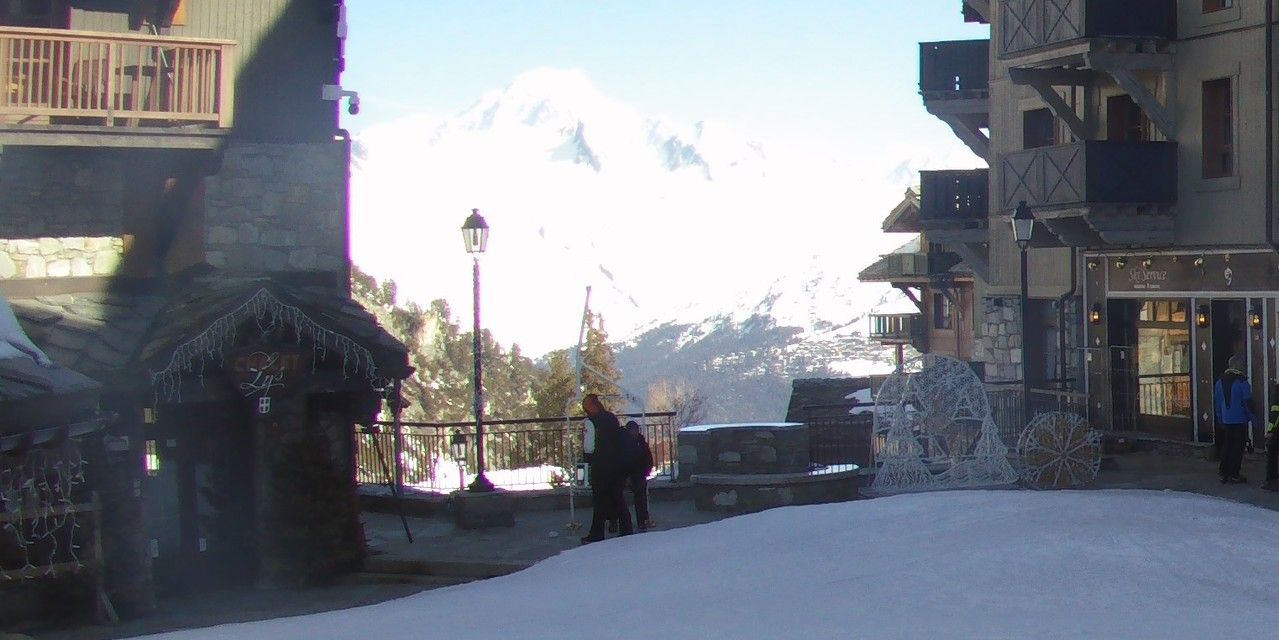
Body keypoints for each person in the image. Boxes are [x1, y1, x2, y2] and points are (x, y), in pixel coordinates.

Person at [580, 393, 632, 544]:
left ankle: (597, 533)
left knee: (600, 501)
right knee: (617, 497)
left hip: (600, 466)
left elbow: (589, 447)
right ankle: (626, 529)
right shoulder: (611, 418)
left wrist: (587, 458)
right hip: (616, 464)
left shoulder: (591, 422)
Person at [1214, 355, 1257, 484]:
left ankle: (1223, 473)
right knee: (1238, 448)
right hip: (1239, 420)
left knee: (1227, 446)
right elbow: (1248, 403)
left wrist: (1220, 419)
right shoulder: (1242, 382)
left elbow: (1217, 403)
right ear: (1238, 366)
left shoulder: (1219, 382)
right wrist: (1254, 421)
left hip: (1227, 420)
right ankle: (1234, 474)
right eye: (1242, 364)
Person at [619, 420, 655, 532]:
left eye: (636, 430)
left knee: (641, 497)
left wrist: (646, 471)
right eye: (633, 430)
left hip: (639, 474)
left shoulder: (641, 441)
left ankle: (642, 520)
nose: (635, 432)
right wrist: (626, 476)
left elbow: (647, 457)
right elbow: (622, 461)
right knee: (620, 498)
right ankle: (620, 522)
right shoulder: (623, 442)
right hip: (627, 474)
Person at [1264, 384, 1279, 492]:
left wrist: (1270, 430)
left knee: (1272, 453)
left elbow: (1275, 413)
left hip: (1277, 430)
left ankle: (1271, 481)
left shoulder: (1277, 391)